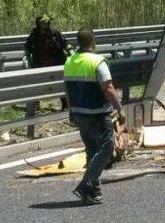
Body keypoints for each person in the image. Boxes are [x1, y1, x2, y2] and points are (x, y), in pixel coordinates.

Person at [63, 27, 126, 205]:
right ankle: (87, 184)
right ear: (93, 41)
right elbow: (108, 88)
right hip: (98, 113)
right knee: (107, 147)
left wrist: (70, 109)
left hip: (80, 113)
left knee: (92, 150)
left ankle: (94, 192)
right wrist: (119, 109)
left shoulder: (70, 61)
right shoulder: (97, 61)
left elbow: (67, 89)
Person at [24, 14, 72, 111]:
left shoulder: (54, 33)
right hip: (40, 64)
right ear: (39, 24)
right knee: (36, 84)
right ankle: (35, 105)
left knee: (61, 84)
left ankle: (66, 105)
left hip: (55, 63)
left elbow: (64, 43)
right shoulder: (34, 34)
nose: (45, 24)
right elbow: (27, 46)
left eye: (46, 22)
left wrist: (71, 50)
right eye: (43, 23)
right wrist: (26, 56)